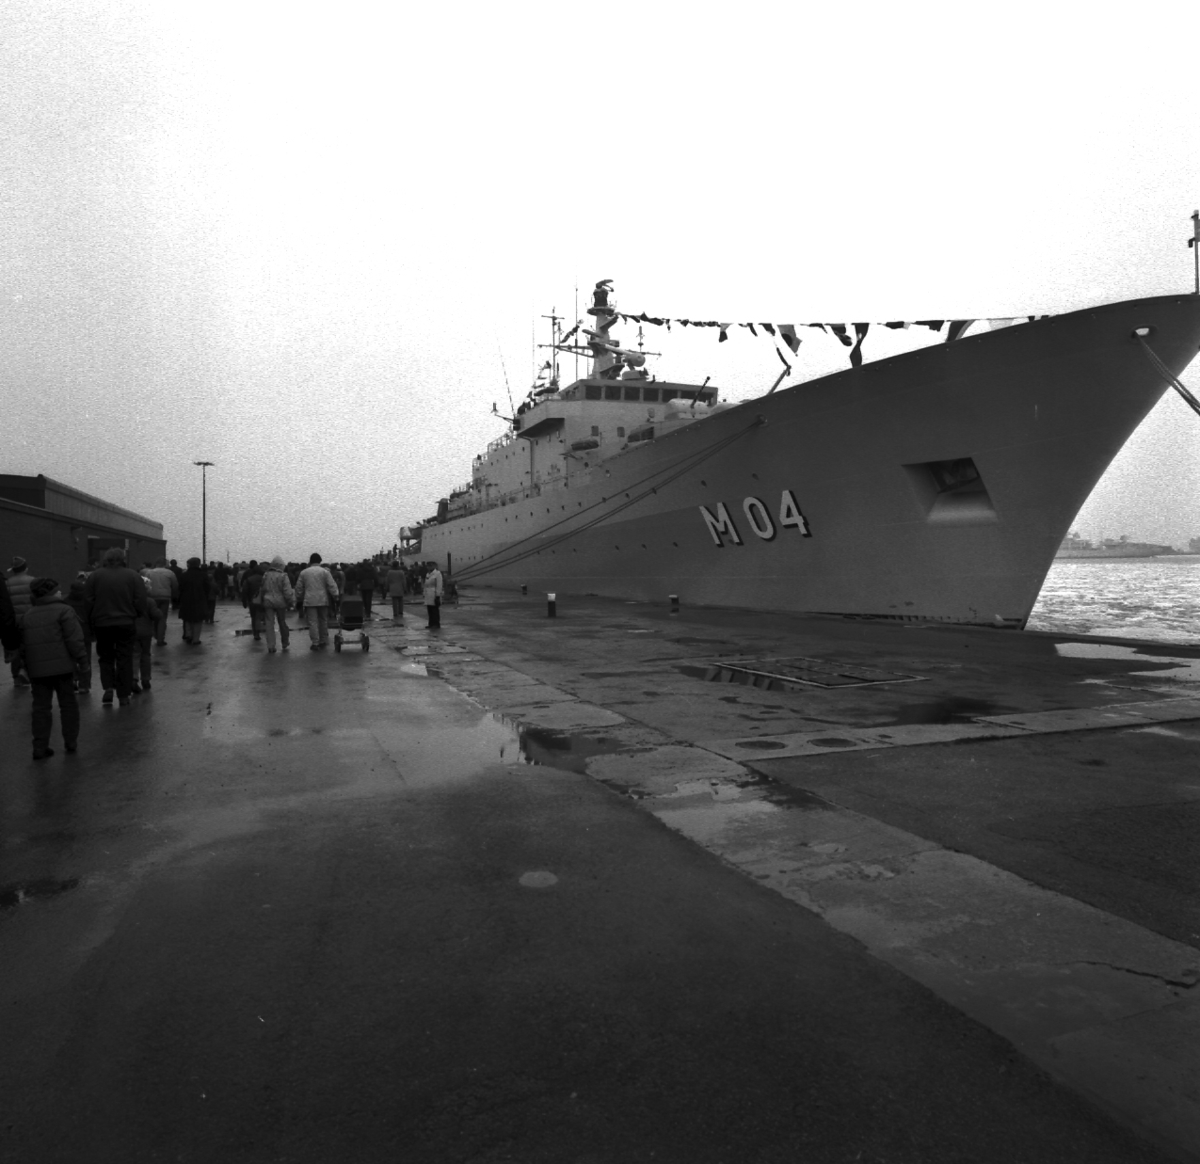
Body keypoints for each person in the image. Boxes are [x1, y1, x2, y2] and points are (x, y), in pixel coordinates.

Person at [18, 577, 88, 759]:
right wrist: (82, 660)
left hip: (37, 670)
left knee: (41, 708)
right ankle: (70, 741)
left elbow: (23, 646)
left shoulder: (28, 615)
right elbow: (74, 639)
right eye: (57, 590)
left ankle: (39, 747)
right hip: (63, 668)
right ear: (51, 593)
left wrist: (25, 666)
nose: (60, 592)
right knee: (68, 704)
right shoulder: (64, 610)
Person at [84, 547, 150, 706]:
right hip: (126, 622)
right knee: (124, 658)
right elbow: (140, 599)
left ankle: (108, 687)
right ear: (123, 559)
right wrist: (136, 613)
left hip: (102, 622)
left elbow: (88, 600)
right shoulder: (133, 576)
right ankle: (123, 695)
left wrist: (91, 619)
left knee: (105, 657)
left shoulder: (95, 576)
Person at [294, 553, 339, 650]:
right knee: (323, 620)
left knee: (312, 622)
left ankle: (315, 643)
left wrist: (298, 597)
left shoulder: (304, 572)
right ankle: (323, 640)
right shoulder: (325, 572)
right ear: (320, 561)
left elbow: (299, 587)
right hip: (323, 599)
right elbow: (331, 585)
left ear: (310, 561)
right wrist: (336, 595)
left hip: (309, 600)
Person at [6, 556, 34, 686]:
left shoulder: (7, 583)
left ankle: (16, 676)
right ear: (26, 568)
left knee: (15, 648)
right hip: (30, 620)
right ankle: (26, 670)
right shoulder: (32, 581)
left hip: (14, 621)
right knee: (29, 647)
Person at [259, 556, 295, 652]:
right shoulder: (283, 575)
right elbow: (287, 591)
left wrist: (262, 599)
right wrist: (290, 601)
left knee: (269, 623)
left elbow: (263, 588)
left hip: (268, 601)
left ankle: (271, 646)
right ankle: (285, 641)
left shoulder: (266, 575)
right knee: (282, 622)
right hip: (280, 602)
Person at [65, 573, 93, 692]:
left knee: (70, 658)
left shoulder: (65, 602)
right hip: (85, 634)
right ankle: (84, 685)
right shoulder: (88, 602)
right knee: (85, 660)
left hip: (69, 634)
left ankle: (72, 679)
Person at [178, 557, 215, 645]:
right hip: (200, 599)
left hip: (186, 599)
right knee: (198, 620)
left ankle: (188, 634)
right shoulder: (203, 575)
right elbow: (207, 587)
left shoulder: (184, 575)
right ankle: (196, 639)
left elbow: (180, 588)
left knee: (187, 618)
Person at [144, 558, 178, 645]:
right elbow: (175, 585)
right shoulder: (170, 573)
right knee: (162, 617)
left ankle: (155, 633)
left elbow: (145, 584)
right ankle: (160, 638)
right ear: (165, 564)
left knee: (153, 616)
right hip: (165, 597)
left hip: (152, 596)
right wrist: (174, 596)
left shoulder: (149, 573)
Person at [240, 560, 265, 640]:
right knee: (259, 617)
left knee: (254, 617)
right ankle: (258, 632)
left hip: (252, 600)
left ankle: (255, 633)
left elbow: (244, 590)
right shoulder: (264, 579)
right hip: (262, 600)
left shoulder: (249, 579)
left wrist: (244, 601)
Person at [423, 562, 444, 629]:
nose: (429, 567)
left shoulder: (437, 574)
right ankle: (431, 623)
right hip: (428, 594)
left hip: (434, 593)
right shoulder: (428, 574)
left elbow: (439, 585)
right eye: (428, 566)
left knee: (434, 610)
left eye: (430, 566)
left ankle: (436, 624)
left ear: (434, 566)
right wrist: (424, 593)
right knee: (430, 610)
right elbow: (425, 584)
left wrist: (438, 595)